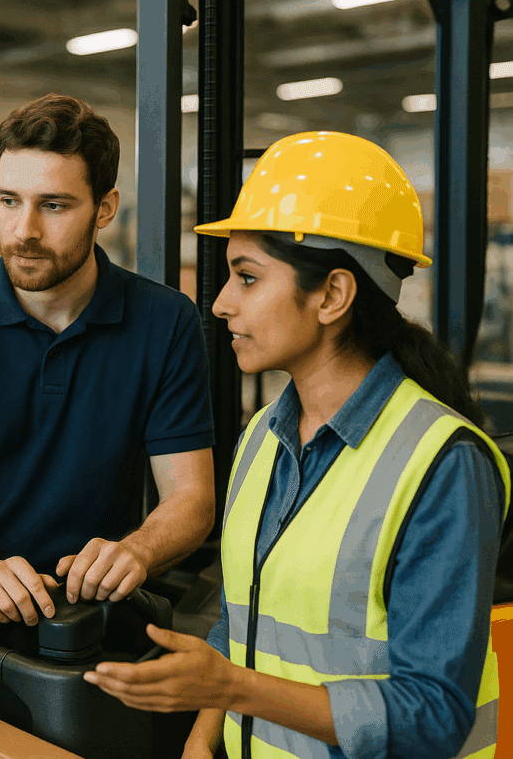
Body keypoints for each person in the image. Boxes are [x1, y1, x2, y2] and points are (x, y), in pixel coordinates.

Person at [83, 131, 509, 759]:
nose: (222, 304)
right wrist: (204, 737)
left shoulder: (442, 466)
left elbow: (434, 715)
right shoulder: (262, 438)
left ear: (333, 295)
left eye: (247, 278)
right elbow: (245, 622)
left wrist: (230, 687)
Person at [0, 93, 217, 683]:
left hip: (92, 647)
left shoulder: (164, 324)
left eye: (54, 206)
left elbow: (192, 500)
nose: (24, 231)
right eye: (8, 201)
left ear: (105, 208)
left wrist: (136, 552)